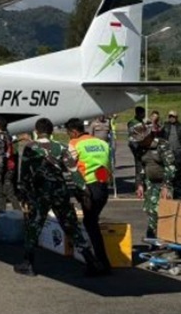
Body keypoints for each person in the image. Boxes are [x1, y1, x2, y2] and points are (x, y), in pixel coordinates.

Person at [15, 117, 103, 277]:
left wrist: (23, 193)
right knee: (71, 227)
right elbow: (73, 171)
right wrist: (84, 190)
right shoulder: (61, 148)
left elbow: (25, 174)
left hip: (40, 193)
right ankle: (92, 262)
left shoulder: (30, 148)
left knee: (34, 226)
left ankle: (28, 263)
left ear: (36, 131)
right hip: (59, 192)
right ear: (51, 132)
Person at [66, 117, 112, 275]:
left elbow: (68, 164)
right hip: (103, 187)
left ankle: (100, 263)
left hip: (88, 189)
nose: (69, 137)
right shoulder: (102, 143)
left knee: (90, 224)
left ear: (74, 131)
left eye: (68, 133)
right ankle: (101, 262)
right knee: (91, 222)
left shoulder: (75, 144)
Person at [132, 122, 176, 239]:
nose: (139, 142)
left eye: (141, 139)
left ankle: (168, 240)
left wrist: (166, 186)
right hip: (151, 184)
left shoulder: (162, 145)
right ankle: (153, 238)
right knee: (151, 211)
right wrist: (140, 183)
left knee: (165, 212)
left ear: (147, 136)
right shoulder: (140, 149)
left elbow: (170, 166)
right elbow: (140, 167)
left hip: (166, 183)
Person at [0, 116, 22, 213]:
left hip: (4, 169)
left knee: (2, 194)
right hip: (9, 168)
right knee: (9, 192)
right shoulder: (8, 136)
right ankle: (17, 212)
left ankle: (5, 214)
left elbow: (1, 157)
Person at [161, 110, 181, 198]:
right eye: (170, 116)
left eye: (173, 117)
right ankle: (168, 187)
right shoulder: (165, 126)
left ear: (176, 117)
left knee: (177, 170)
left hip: (178, 151)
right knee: (167, 170)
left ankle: (179, 189)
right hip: (167, 152)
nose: (171, 118)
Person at [127, 106, 147, 188]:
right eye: (143, 113)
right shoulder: (133, 122)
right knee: (139, 165)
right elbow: (135, 134)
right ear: (138, 113)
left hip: (141, 144)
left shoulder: (141, 121)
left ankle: (142, 183)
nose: (144, 115)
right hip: (136, 145)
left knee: (143, 165)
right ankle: (139, 184)